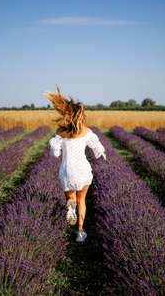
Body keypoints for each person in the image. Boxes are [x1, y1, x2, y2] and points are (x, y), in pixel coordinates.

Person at [44, 86, 106, 242]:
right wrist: (100, 155)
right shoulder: (86, 131)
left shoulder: (60, 132)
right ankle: (80, 231)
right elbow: (98, 149)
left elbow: (55, 154)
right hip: (83, 170)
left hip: (67, 171)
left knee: (71, 200)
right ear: (80, 115)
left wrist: (56, 149)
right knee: (82, 200)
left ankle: (70, 215)